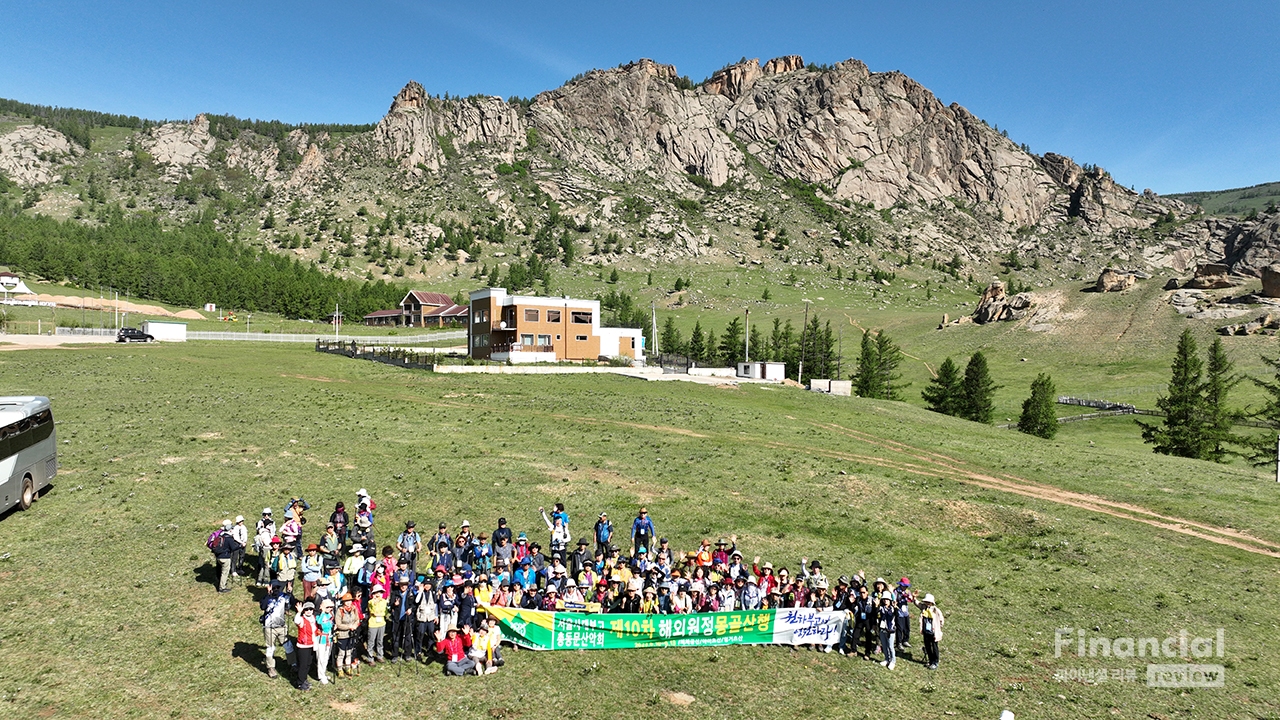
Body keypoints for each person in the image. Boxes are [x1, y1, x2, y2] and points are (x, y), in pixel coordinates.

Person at [259, 581, 293, 679]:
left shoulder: (283, 596)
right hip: (269, 627)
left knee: (288, 646)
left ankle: (293, 664)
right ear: (269, 588)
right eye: (274, 587)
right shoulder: (266, 598)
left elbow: (288, 606)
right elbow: (263, 606)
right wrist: (268, 594)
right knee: (270, 648)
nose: (276, 590)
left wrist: (289, 593)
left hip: (281, 626)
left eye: (278, 587)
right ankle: (271, 668)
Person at [333, 592, 362, 678]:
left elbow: (357, 619)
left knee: (349, 652)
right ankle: (340, 669)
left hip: (351, 634)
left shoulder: (354, 609)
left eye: (350, 600)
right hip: (342, 635)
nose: (349, 602)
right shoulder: (340, 610)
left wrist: (355, 625)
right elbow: (338, 624)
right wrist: (349, 626)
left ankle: (348, 667)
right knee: (341, 653)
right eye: (347, 601)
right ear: (343, 602)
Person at [389, 577, 417, 662]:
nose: (403, 586)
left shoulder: (410, 594)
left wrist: (411, 609)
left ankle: (407, 654)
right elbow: (390, 605)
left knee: (407, 637)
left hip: (407, 618)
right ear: (399, 585)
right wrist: (394, 604)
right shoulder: (395, 593)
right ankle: (395, 655)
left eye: (405, 585)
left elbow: (414, 605)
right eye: (402, 584)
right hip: (397, 618)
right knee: (395, 637)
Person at [211, 520, 241, 593]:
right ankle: (222, 588)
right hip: (225, 557)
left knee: (221, 570)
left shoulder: (221, 536)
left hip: (218, 556)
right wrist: (240, 546)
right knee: (225, 573)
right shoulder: (229, 538)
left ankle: (220, 582)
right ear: (230, 530)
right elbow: (233, 548)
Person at [414, 576, 439, 661]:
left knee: (431, 634)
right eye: (426, 584)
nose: (427, 586)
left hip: (431, 617)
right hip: (422, 617)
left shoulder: (433, 593)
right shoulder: (420, 593)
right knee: (420, 635)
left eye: (429, 584)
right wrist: (420, 592)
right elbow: (416, 601)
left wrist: (436, 616)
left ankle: (429, 650)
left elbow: (435, 605)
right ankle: (418, 651)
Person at [294, 601, 317, 691]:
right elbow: (296, 621)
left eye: (310, 609)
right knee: (303, 665)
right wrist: (298, 612)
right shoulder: (301, 619)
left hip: (312, 644)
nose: (308, 611)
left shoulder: (313, 618)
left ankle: (304, 679)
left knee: (308, 663)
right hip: (303, 645)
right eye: (306, 609)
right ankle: (300, 683)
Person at [918, 593, 943, 669]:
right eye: (926, 602)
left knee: (934, 647)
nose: (927, 604)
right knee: (927, 646)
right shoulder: (924, 609)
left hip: (933, 632)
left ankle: (935, 662)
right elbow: (917, 603)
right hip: (926, 631)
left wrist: (937, 628)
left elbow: (941, 620)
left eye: (928, 602)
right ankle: (930, 660)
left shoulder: (936, 610)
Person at [366, 585, 388, 663]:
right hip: (373, 624)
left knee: (380, 641)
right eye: (377, 592)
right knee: (371, 641)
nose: (379, 594)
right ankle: (370, 658)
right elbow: (373, 612)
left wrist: (380, 614)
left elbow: (385, 612)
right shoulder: (370, 602)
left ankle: (380, 656)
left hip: (382, 623)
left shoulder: (384, 601)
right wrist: (375, 603)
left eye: (380, 592)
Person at [876, 591, 897, 670]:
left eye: (887, 600)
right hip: (882, 629)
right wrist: (877, 606)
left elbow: (895, 615)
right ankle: (886, 659)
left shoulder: (892, 609)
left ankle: (893, 661)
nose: (885, 601)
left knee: (890, 646)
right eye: (884, 599)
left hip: (890, 630)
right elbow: (876, 614)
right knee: (884, 645)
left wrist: (895, 607)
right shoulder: (881, 608)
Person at [315, 598, 335, 684]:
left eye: (331, 607)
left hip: (329, 639)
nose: (329, 609)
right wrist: (323, 612)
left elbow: (330, 625)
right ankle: (320, 675)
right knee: (321, 658)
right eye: (327, 607)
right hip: (321, 640)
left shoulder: (330, 615)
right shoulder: (319, 616)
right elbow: (319, 622)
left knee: (327, 657)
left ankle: (323, 672)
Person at [254, 511, 276, 588]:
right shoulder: (260, 522)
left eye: (268, 514)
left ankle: (265, 580)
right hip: (261, 547)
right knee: (262, 564)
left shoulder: (272, 523)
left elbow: (273, 533)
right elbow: (258, 531)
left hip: (268, 547)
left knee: (266, 564)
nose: (266, 516)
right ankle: (260, 580)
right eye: (264, 514)